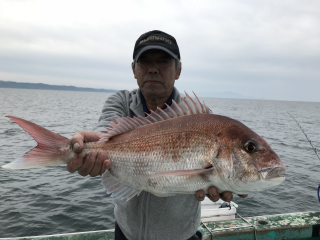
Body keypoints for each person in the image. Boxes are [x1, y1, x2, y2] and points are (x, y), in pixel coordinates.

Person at [66, 30, 247, 240]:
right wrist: (87, 149)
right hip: (126, 233)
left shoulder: (200, 120)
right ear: (134, 69)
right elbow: (105, 134)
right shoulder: (120, 102)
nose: (153, 69)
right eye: (144, 61)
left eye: (163, 61)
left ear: (178, 70)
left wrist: (225, 181)